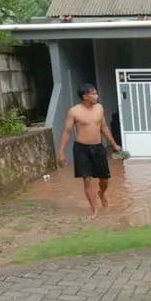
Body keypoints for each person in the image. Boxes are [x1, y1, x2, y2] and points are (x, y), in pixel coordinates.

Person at [57, 84, 122, 219]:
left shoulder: (99, 108)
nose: (97, 96)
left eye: (96, 93)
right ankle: (95, 209)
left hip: (98, 147)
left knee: (105, 179)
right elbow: (67, 131)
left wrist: (114, 144)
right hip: (81, 149)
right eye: (94, 94)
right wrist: (61, 152)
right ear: (85, 96)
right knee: (87, 179)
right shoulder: (74, 111)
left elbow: (104, 127)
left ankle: (101, 193)